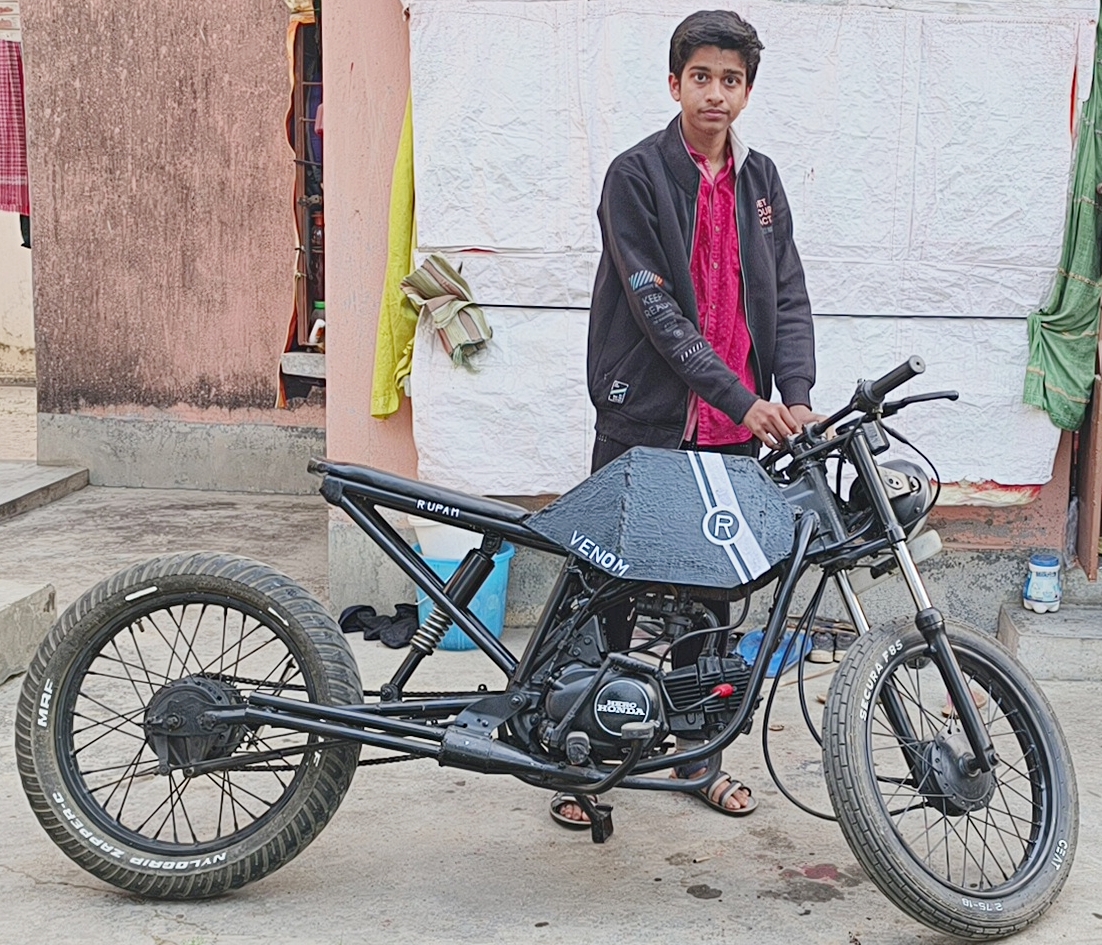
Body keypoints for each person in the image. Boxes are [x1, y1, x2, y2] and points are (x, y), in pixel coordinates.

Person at [550, 9, 818, 828]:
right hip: (647, 418)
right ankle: (576, 760)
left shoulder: (762, 182)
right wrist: (745, 395)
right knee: (603, 593)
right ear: (675, 84)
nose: (715, 93)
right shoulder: (636, 176)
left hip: (736, 430)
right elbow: (658, 314)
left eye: (730, 80)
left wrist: (796, 393)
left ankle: (699, 760)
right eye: (700, 77)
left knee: (713, 601)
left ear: (747, 91)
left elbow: (792, 295)